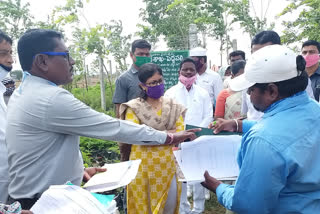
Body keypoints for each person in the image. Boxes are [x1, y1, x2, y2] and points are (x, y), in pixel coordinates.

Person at [5, 29, 199, 210]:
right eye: (65, 56)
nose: (72, 61)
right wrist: (168, 137)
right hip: (44, 203)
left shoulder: (24, 92)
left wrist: (77, 170)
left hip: (34, 197)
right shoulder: (50, 98)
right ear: (42, 61)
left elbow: (42, 150)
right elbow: (113, 127)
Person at [203, 45, 320, 214]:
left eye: (251, 89)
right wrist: (238, 124)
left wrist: (219, 188)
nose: (249, 95)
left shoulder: (263, 140)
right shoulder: (313, 109)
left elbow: (249, 204)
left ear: (272, 91)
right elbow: (287, 132)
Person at [120, 63, 186, 214]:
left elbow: (180, 132)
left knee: (168, 206)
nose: (158, 85)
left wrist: (150, 133)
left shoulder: (173, 105)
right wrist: (168, 133)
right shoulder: (134, 107)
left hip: (167, 165)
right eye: (152, 83)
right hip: (142, 166)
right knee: (145, 207)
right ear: (142, 86)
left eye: (160, 81)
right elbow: (135, 135)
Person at [165, 58, 213, 214]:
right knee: (181, 175)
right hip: (178, 140)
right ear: (179, 72)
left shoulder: (203, 93)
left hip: (198, 139)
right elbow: (167, 116)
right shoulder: (170, 93)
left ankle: (198, 208)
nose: (188, 72)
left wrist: (198, 131)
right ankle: (183, 207)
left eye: (191, 70)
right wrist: (180, 133)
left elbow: (208, 115)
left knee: (200, 173)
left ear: (195, 72)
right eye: (185, 69)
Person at [113, 39, 151, 119]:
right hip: (133, 125)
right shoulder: (123, 79)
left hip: (155, 124)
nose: (144, 57)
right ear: (131, 55)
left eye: (147, 54)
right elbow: (119, 108)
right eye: (140, 54)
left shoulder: (155, 76)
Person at [0, 30, 14, 204]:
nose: (10, 60)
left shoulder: (4, 91)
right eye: (3, 54)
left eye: (11, 53)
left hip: (7, 182)